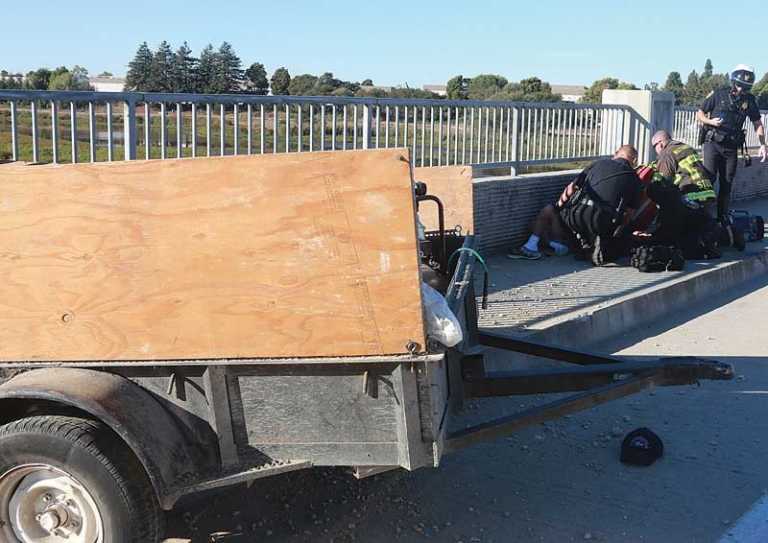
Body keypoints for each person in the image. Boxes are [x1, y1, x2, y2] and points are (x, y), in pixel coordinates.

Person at [511, 145, 643, 265]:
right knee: (600, 229)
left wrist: (559, 208)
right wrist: (615, 233)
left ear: (616, 153)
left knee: (548, 211)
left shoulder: (598, 164)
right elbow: (629, 214)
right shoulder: (634, 179)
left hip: (576, 217)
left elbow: (571, 188)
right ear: (634, 161)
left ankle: (530, 247)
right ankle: (580, 245)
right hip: (601, 224)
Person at [696, 64, 767, 221]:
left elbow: (757, 123)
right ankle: (701, 217)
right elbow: (699, 113)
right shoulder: (719, 94)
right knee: (709, 179)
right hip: (712, 143)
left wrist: (763, 145)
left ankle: (722, 218)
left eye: (746, 88)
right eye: (740, 86)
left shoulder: (749, 101)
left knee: (727, 183)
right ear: (734, 83)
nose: (742, 90)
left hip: (731, 147)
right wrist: (710, 121)